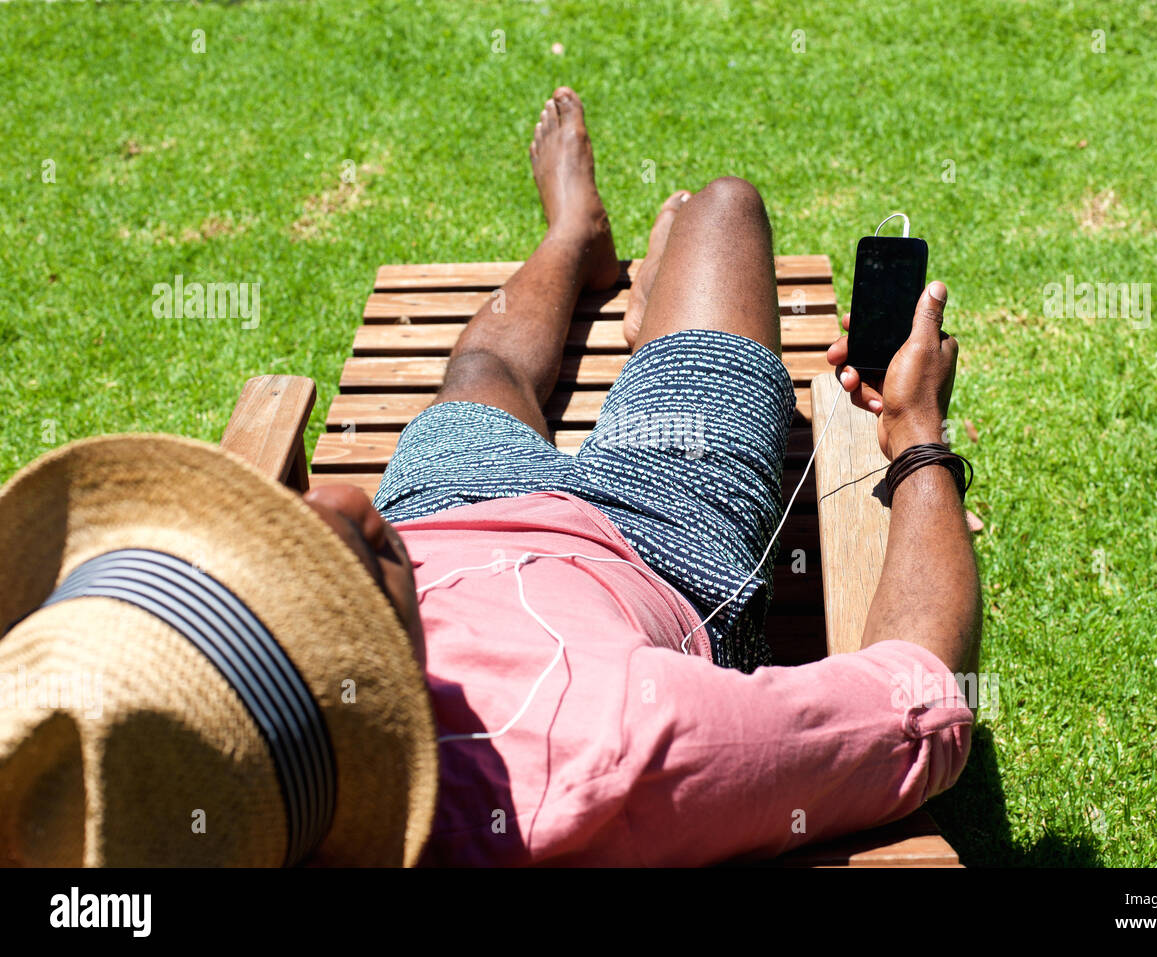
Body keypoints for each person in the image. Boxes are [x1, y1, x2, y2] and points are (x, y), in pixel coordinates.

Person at [0, 88, 980, 867]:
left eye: (267, 537)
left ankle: (572, 241)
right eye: (335, 585)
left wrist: (370, 564)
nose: (342, 499)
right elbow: (918, 695)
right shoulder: (607, 753)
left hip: (459, 515)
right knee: (723, 211)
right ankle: (652, 338)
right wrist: (916, 434)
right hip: (655, 546)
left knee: (482, 375)